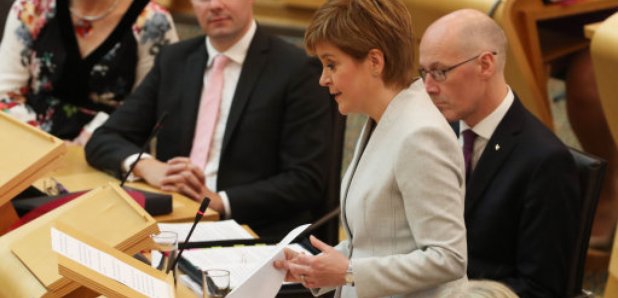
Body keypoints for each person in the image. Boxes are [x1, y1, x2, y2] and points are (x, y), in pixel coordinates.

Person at [85, 0, 333, 240]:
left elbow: (305, 180)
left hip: (250, 229)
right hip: (172, 220)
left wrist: (220, 201)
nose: (214, 5)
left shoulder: (297, 69)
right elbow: (104, 139)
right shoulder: (174, 60)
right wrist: (148, 166)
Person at [274, 0, 468, 297]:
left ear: (375, 62)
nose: (323, 79)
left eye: (331, 64)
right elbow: (375, 241)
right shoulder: (383, 118)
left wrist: (349, 271)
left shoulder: (421, 134)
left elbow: (448, 258)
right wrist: (314, 267)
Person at [419, 9, 580, 297]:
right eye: (424, 73)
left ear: (485, 65)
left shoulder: (545, 161)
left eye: (440, 72)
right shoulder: (438, 130)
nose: (428, 87)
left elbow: (541, 289)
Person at [0, 0, 178, 145]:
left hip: (108, 149)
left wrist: (83, 145)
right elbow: (5, 92)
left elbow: (147, 111)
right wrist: (42, 144)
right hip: (27, 141)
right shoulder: (31, 7)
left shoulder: (154, 21)